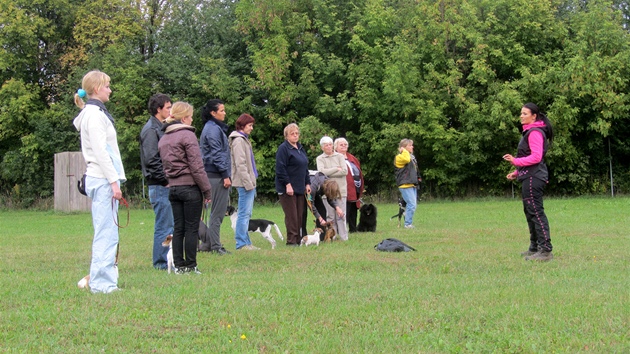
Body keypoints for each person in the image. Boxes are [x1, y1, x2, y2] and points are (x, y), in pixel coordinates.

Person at [73, 70, 126, 294]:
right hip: (103, 179)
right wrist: (114, 182)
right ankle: (102, 284)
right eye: (107, 86)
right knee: (106, 232)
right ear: (96, 89)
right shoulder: (94, 115)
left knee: (107, 231)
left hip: (102, 178)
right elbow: (101, 151)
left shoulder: (93, 113)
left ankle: (101, 280)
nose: (110, 90)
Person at [158, 102, 212, 274]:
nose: (192, 119)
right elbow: (197, 166)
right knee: (191, 228)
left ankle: (179, 266)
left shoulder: (164, 137)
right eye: (190, 116)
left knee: (178, 228)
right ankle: (190, 265)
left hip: (173, 188)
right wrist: (206, 189)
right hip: (189, 187)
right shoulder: (187, 136)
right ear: (183, 118)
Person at [503, 103, 554, 261]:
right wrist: (517, 172)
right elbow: (532, 159)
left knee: (536, 212)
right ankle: (534, 247)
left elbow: (537, 157)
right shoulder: (529, 132)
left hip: (535, 177)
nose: (521, 116)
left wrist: (515, 161)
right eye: (521, 113)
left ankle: (545, 250)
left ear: (534, 116)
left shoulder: (535, 132)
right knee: (530, 211)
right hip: (529, 175)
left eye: (525, 113)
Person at [140, 93, 173, 270]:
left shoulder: (161, 128)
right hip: (159, 185)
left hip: (164, 184)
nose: (170, 110)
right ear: (158, 109)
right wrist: (165, 180)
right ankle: (161, 263)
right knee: (164, 225)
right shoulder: (151, 130)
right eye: (167, 107)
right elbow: (151, 159)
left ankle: (168, 259)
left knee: (169, 224)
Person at [200, 99, 231, 255]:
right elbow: (216, 153)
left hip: (214, 173)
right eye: (222, 110)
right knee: (217, 213)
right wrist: (225, 174)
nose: (224, 113)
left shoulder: (213, 127)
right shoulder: (212, 129)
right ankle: (215, 247)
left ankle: (209, 243)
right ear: (213, 113)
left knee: (215, 213)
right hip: (216, 175)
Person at [275, 123, 311, 246]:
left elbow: (305, 167)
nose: (295, 136)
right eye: (292, 134)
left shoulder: (300, 148)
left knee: (300, 215)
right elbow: (280, 168)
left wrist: (308, 183)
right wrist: (287, 184)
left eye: (297, 133)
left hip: (300, 187)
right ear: (286, 136)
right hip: (288, 188)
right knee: (292, 216)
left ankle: (298, 239)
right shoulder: (284, 148)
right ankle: (291, 241)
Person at [228, 113, 260, 251]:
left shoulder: (244, 140)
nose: (251, 128)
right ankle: (241, 243)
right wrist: (248, 183)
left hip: (248, 182)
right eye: (250, 125)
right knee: (243, 213)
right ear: (242, 125)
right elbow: (240, 164)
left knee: (247, 214)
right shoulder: (239, 141)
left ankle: (246, 242)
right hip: (244, 183)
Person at [316, 136, 348, 240]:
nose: (329, 147)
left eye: (330, 144)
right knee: (330, 216)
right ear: (322, 147)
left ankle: (344, 237)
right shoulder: (320, 158)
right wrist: (335, 168)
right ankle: (332, 237)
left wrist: (328, 172)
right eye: (326, 145)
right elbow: (321, 173)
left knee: (341, 215)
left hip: (340, 191)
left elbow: (344, 171)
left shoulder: (340, 156)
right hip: (327, 191)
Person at [334, 137, 364, 233]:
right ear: (336, 147)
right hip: (341, 187)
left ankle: (353, 228)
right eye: (341, 145)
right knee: (344, 207)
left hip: (355, 186)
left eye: (345, 144)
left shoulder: (352, 158)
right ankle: (341, 229)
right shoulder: (334, 157)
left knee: (353, 207)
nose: (344, 146)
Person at [395, 139, 420, 229]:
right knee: (412, 204)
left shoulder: (411, 157)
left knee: (412, 204)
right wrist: (404, 151)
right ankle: (407, 224)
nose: (412, 147)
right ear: (403, 147)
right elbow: (406, 159)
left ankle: (406, 214)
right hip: (405, 184)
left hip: (412, 184)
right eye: (410, 145)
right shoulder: (400, 157)